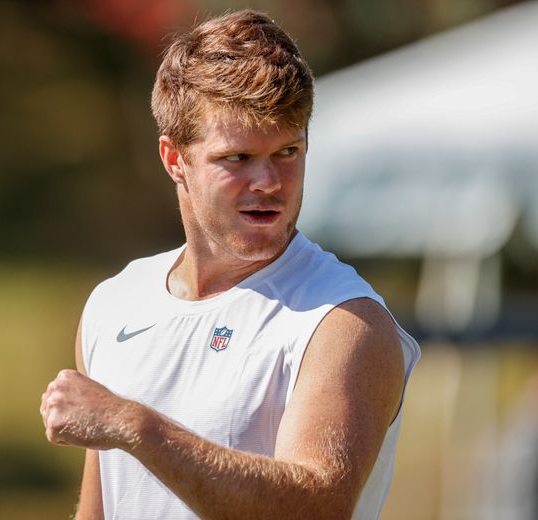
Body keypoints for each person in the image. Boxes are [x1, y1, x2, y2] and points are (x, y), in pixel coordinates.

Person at [40, 9, 420, 520]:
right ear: (175, 159)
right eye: (237, 158)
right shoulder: (114, 303)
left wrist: (136, 426)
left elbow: (317, 507)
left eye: (288, 151)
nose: (268, 181)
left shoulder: (344, 321)